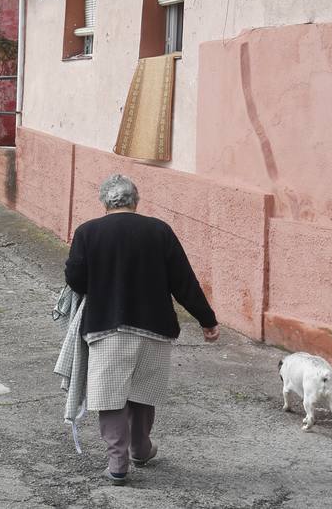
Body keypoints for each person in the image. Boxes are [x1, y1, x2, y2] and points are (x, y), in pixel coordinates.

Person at [64, 174, 219, 484]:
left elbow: (76, 280)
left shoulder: (87, 232)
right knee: (142, 391)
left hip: (108, 327)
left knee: (109, 395)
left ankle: (118, 463)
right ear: (136, 201)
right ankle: (141, 448)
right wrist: (207, 320)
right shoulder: (159, 231)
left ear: (104, 202)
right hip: (154, 327)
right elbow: (183, 281)